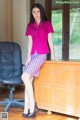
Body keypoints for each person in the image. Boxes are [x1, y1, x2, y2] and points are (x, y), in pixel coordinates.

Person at [21, 3, 58, 118]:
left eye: (38, 11)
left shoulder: (47, 24)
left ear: (41, 11)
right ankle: (26, 109)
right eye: (33, 12)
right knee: (29, 79)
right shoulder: (30, 25)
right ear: (31, 14)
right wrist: (28, 57)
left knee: (24, 77)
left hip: (42, 54)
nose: (36, 14)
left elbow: (50, 39)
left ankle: (32, 106)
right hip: (32, 55)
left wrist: (53, 54)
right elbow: (30, 42)